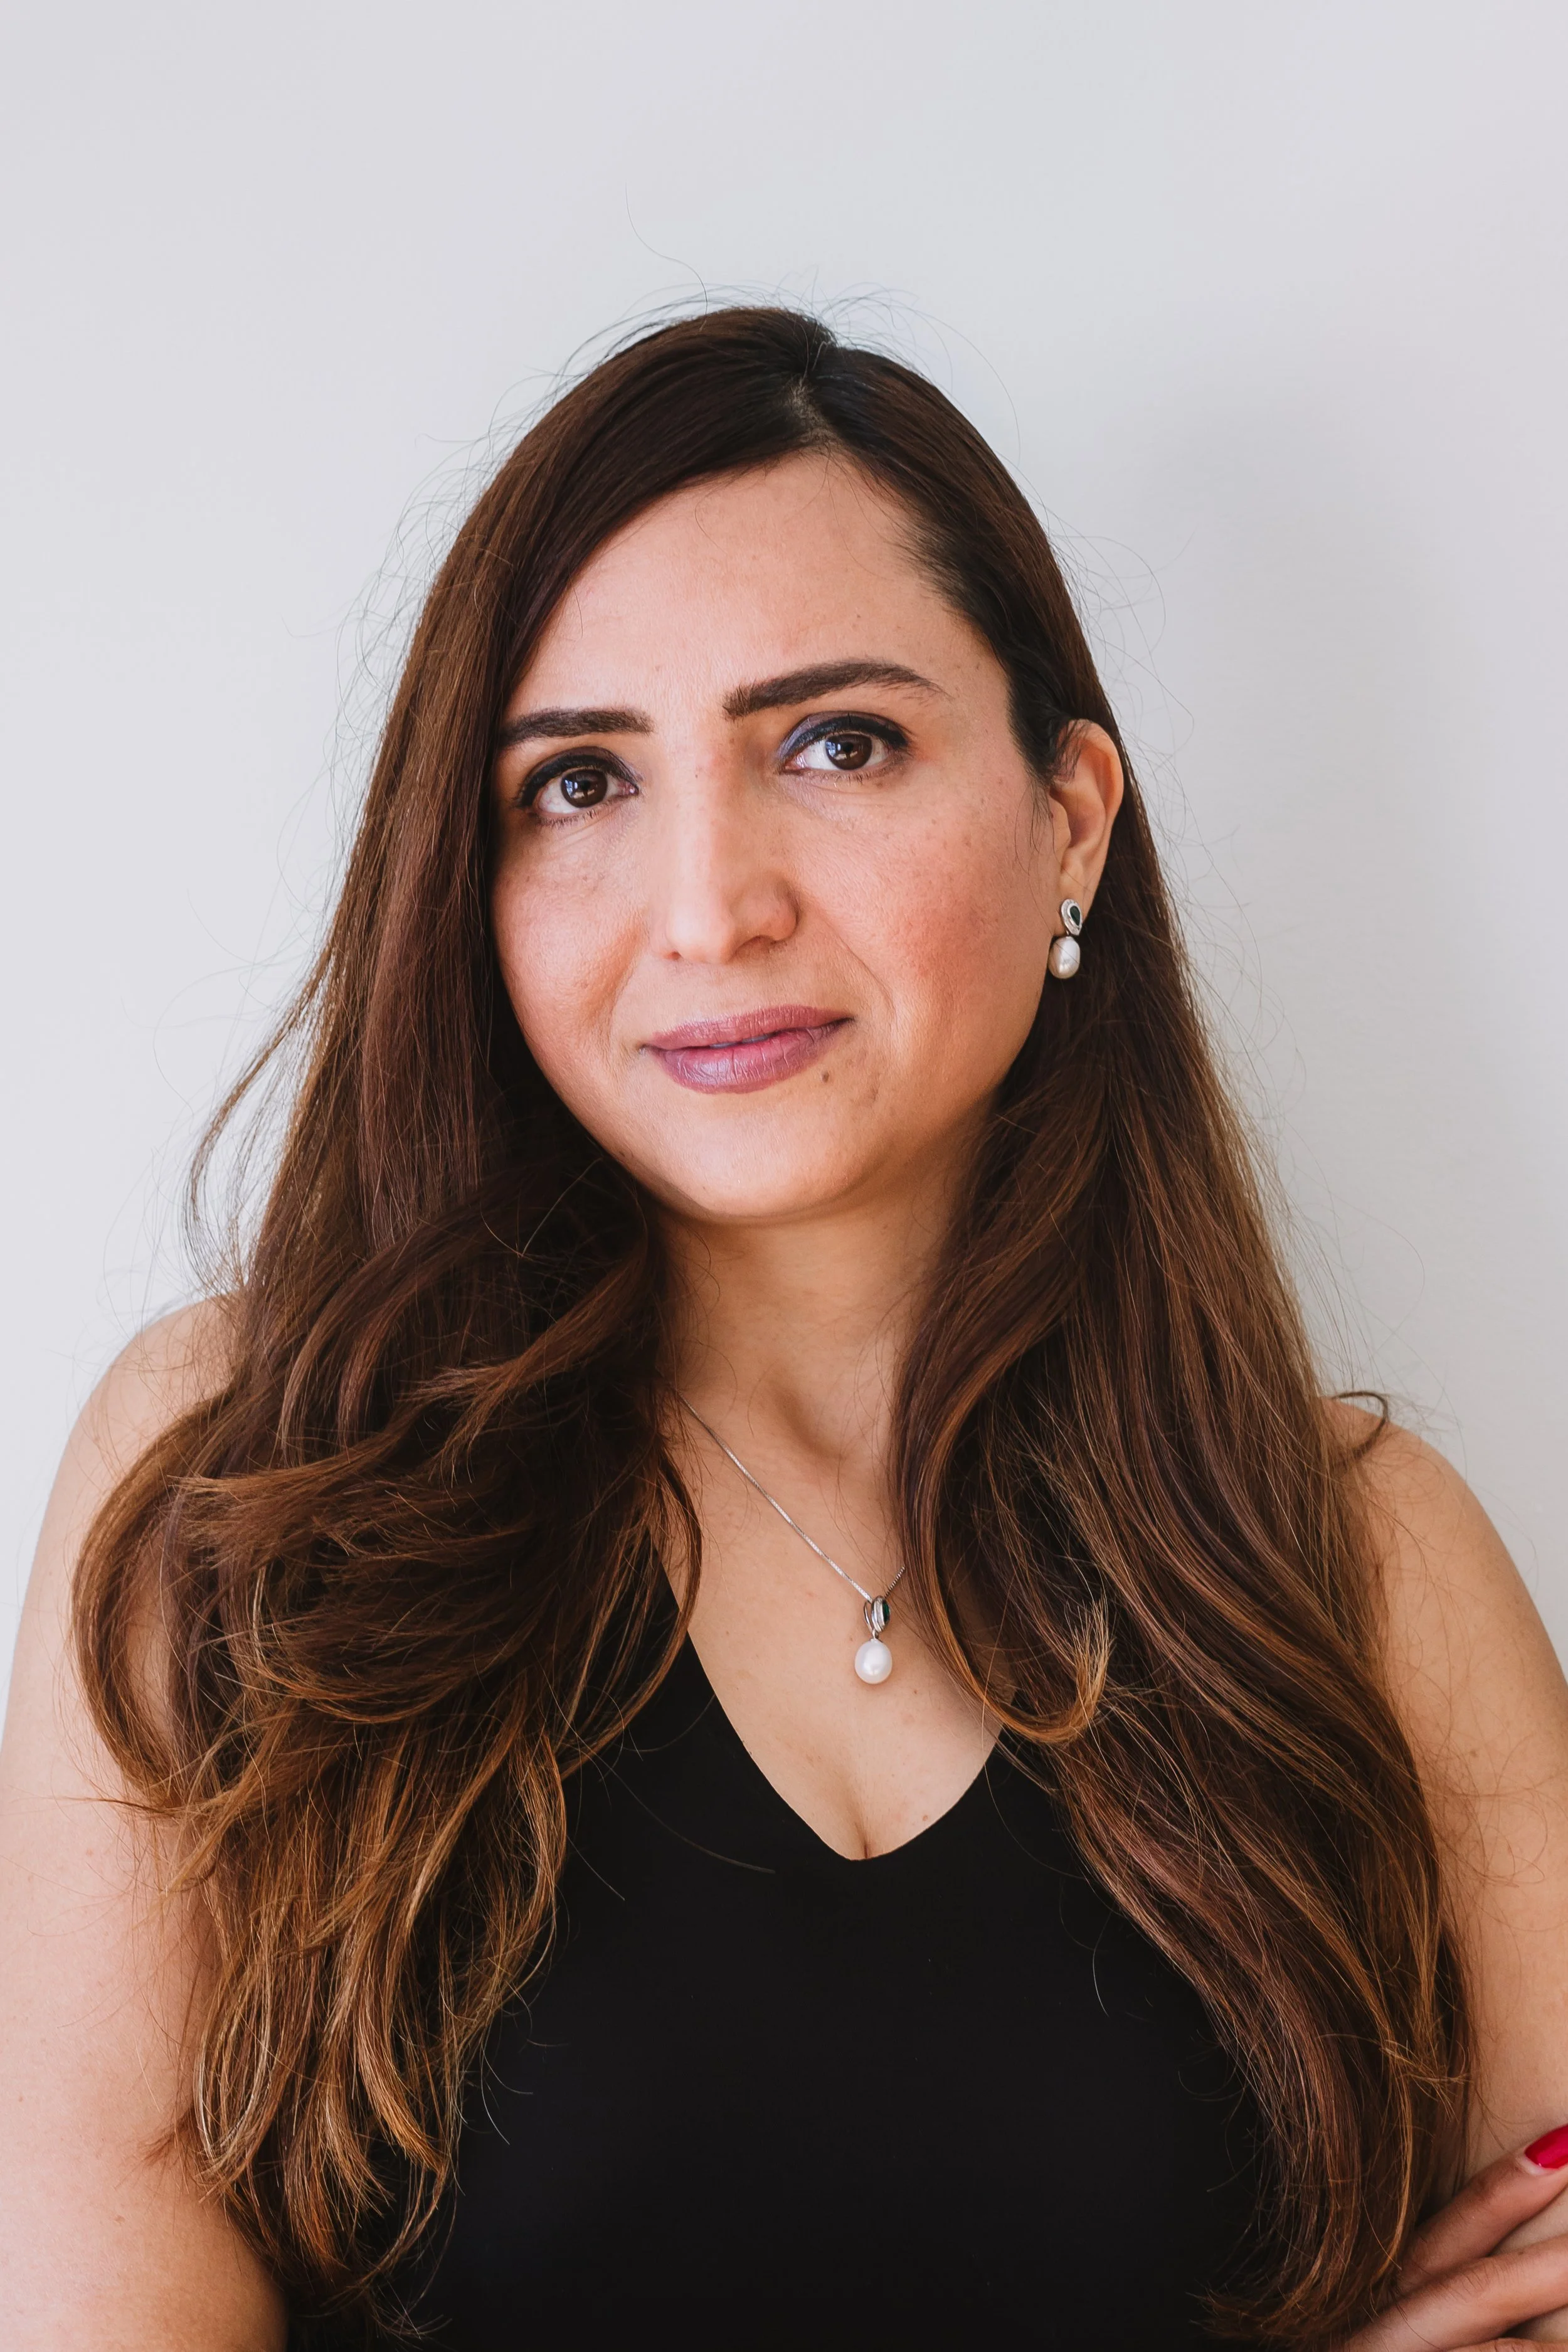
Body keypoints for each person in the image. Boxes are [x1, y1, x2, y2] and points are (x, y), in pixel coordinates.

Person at [3, 307, 1567, 2349]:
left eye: (833, 743)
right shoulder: (247, 1476)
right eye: (575, 782)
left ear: (1071, 815)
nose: (706, 902)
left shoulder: (1359, 1557)